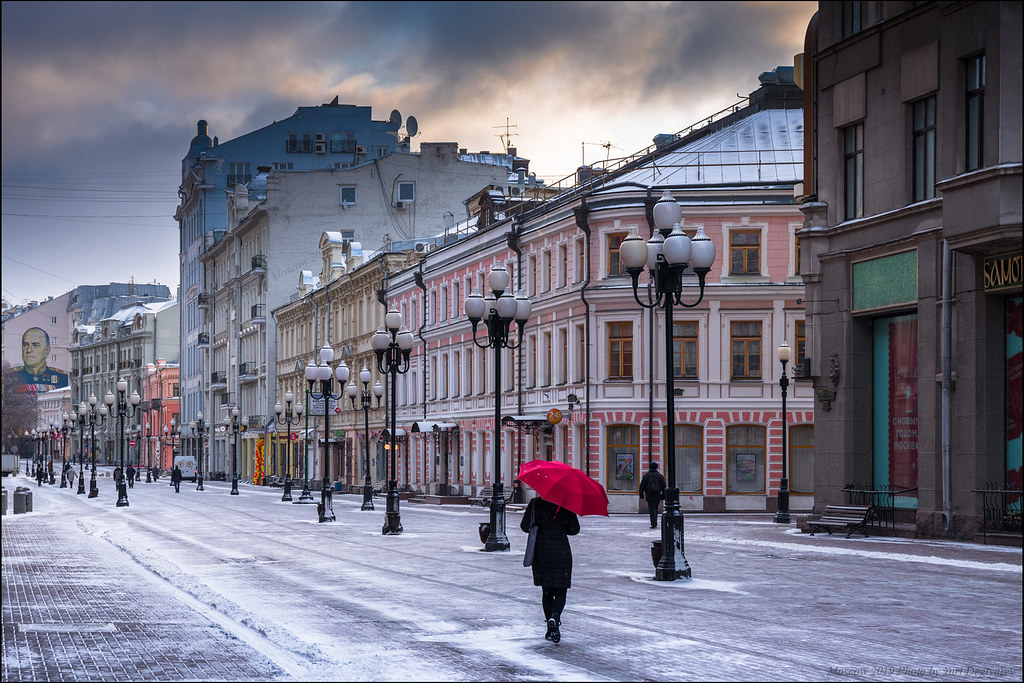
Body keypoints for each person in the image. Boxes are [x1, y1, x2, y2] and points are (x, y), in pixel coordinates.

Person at [520, 495, 580, 644]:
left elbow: (524, 526)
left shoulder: (535, 504)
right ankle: (555, 617)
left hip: (541, 551)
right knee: (561, 589)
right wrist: (561, 526)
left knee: (546, 591)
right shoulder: (565, 503)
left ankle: (549, 627)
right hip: (561, 550)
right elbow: (574, 529)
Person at [13, 327, 69, 394]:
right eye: (25, 345)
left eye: (35, 345)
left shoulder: (62, 378)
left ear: (47, 351)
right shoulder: (11, 376)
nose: (29, 350)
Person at [638, 462, 667, 529]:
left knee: (652, 509)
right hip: (657, 495)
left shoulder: (646, 476)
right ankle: (654, 522)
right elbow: (664, 487)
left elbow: (642, 486)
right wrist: (663, 496)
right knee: (655, 509)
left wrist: (641, 494)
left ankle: (653, 524)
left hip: (649, 495)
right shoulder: (660, 476)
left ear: (650, 467)